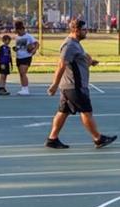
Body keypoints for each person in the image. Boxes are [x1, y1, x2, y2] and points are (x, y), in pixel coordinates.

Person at [45, 18, 115, 150]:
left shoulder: (75, 43)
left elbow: (78, 58)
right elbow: (62, 65)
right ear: (76, 30)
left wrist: (90, 62)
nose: (86, 31)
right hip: (74, 86)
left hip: (70, 86)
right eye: (84, 29)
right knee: (86, 111)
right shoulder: (69, 45)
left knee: (63, 112)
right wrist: (54, 84)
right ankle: (98, 138)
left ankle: (52, 139)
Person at [12, 19, 38, 95]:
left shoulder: (29, 36)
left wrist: (34, 50)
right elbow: (19, 47)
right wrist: (15, 49)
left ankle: (26, 89)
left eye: (18, 31)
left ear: (22, 29)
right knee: (21, 73)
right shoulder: (17, 37)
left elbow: (37, 44)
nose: (17, 32)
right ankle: (23, 88)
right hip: (19, 57)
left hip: (26, 57)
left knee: (23, 72)